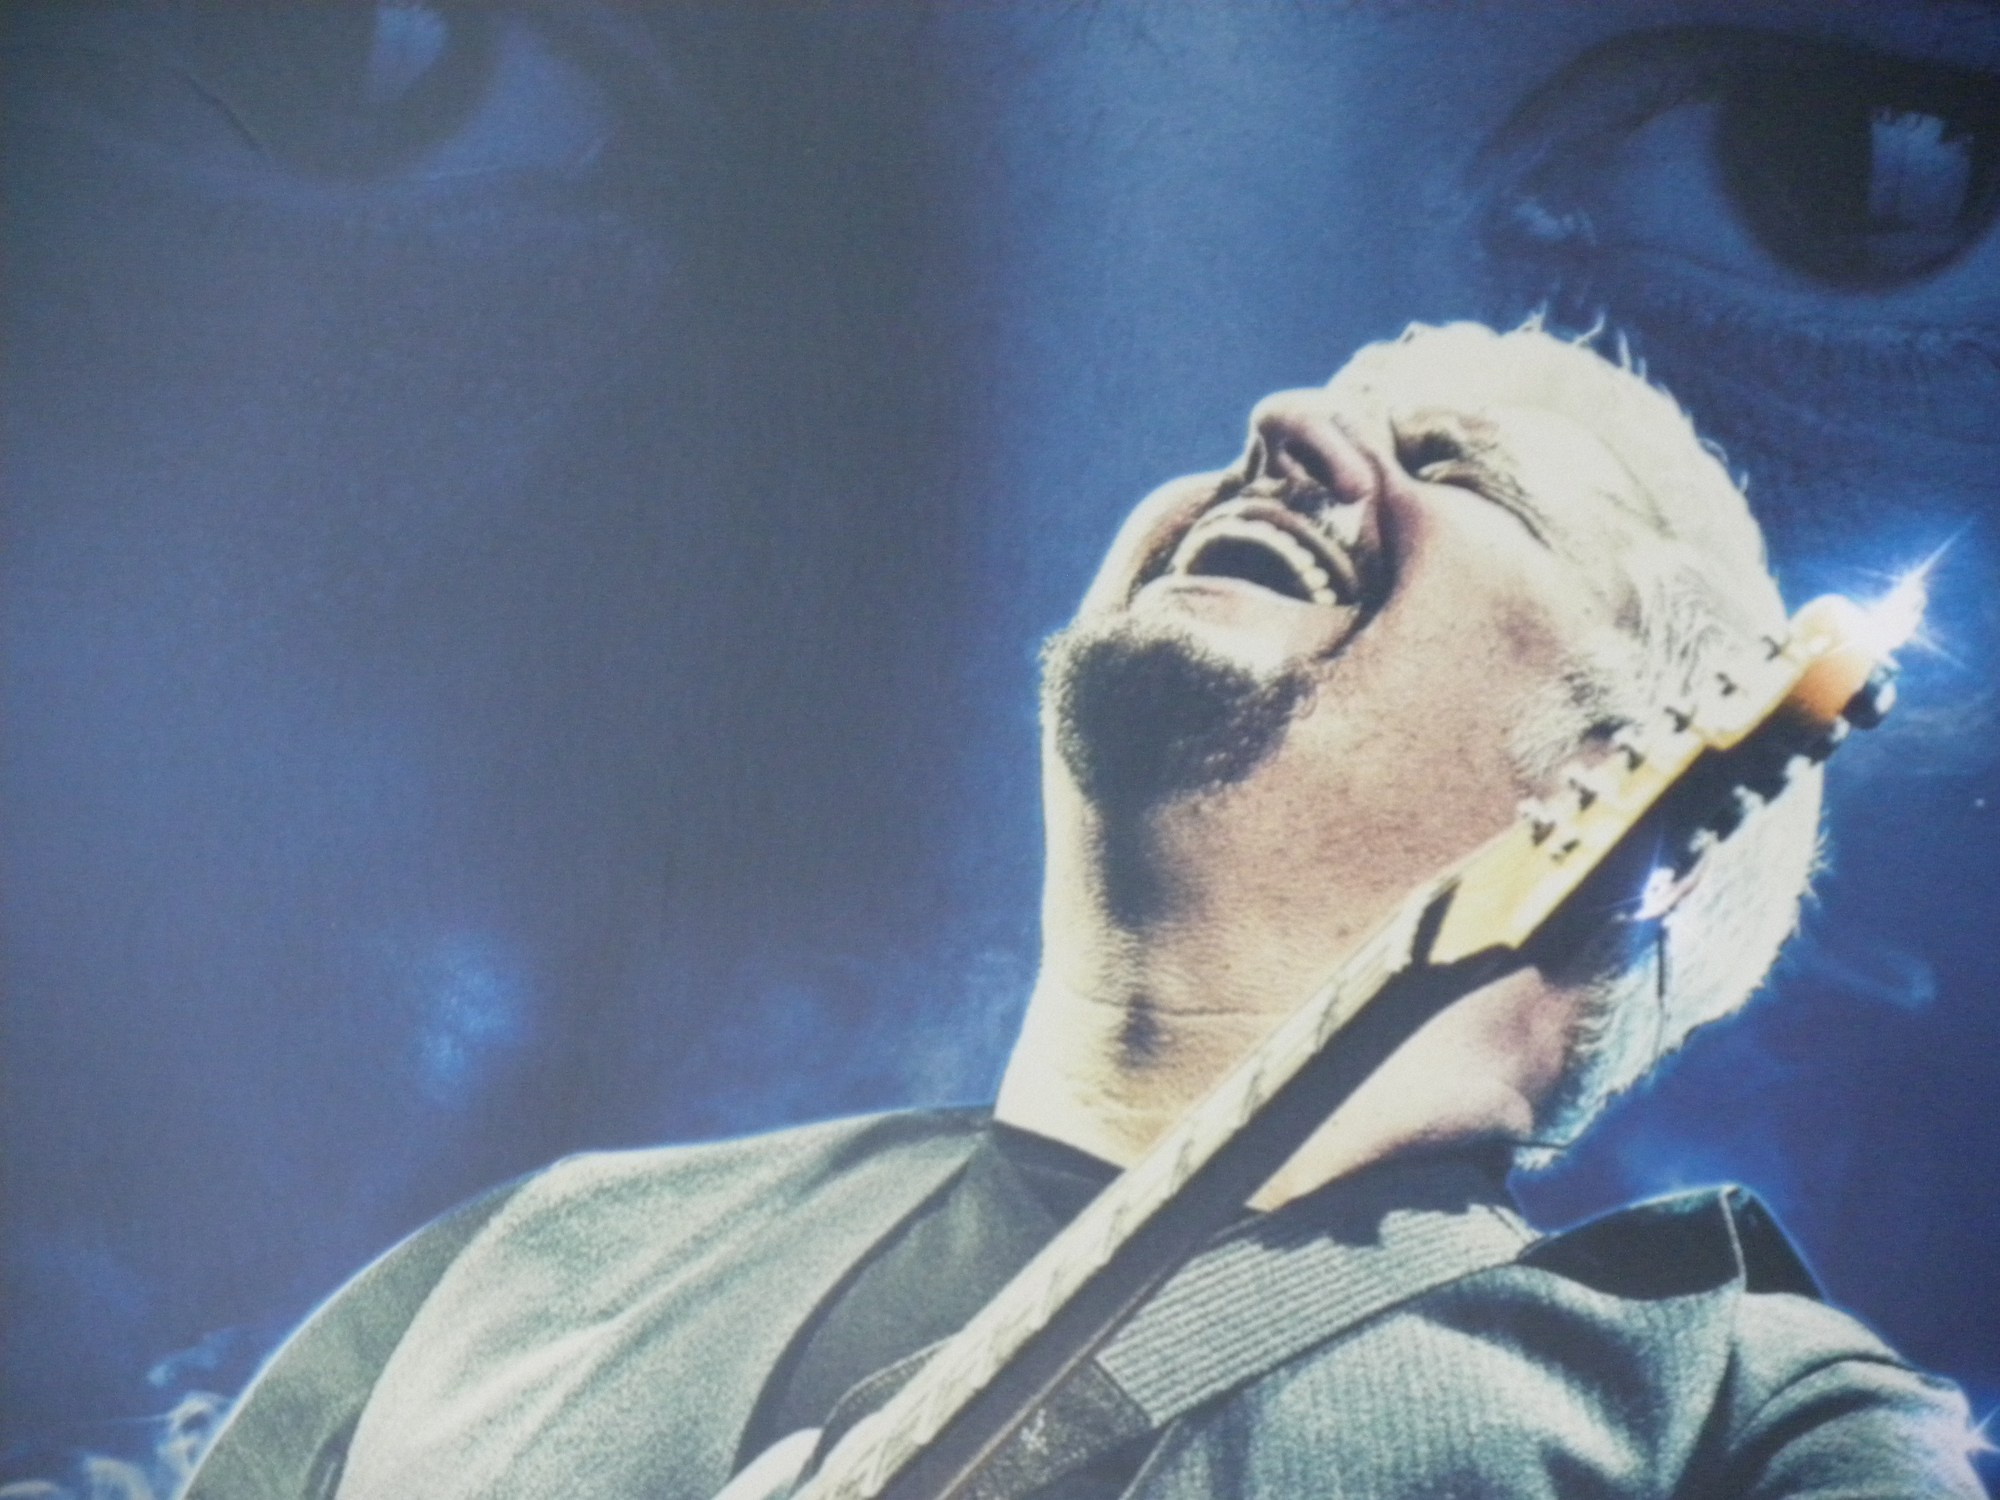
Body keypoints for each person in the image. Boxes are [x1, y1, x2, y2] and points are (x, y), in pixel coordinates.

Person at [181, 323, 1984, 1499]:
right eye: (1318, 417)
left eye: (1457, 472)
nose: (1284, 430)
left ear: (1638, 777)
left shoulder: (1746, 1416)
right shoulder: (524, 1265)